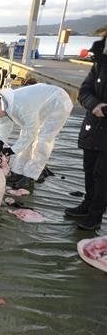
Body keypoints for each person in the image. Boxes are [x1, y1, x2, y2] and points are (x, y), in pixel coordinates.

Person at [0, 83, 73, 191]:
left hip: (58, 102)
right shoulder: (3, 104)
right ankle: (18, 172)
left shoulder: (20, 106)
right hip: (42, 104)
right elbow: (4, 125)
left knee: (42, 140)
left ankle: (30, 176)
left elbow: (30, 131)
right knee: (26, 137)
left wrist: (12, 150)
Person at [64, 36, 107, 230]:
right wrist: (95, 105)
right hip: (93, 126)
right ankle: (87, 205)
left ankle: (95, 215)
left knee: (103, 174)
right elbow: (84, 91)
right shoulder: (99, 64)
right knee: (89, 170)